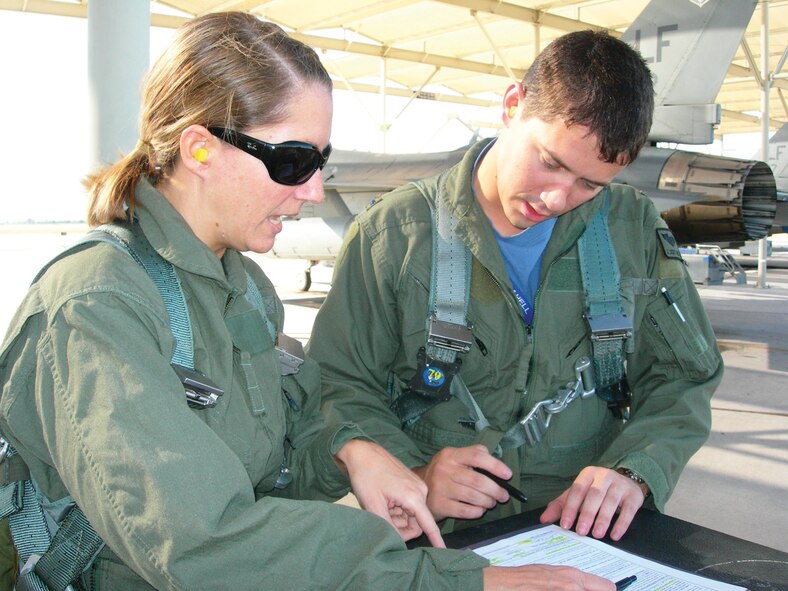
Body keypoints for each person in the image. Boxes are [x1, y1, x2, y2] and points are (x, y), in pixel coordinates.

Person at [0, 12, 618, 591]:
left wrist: (351, 451)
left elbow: (284, 432)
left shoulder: (240, 287)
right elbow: (201, 542)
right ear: (199, 149)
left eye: (321, 162)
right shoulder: (98, 305)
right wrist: (455, 581)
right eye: (293, 161)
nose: (316, 191)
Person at [309, 29, 723, 542]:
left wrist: (636, 469)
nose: (556, 198)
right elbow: (338, 382)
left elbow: (684, 377)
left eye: (590, 184)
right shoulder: (394, 235)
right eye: (550, 162)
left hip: (580, 530)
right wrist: (415, 477)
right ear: (513, 105)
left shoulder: (630, 230)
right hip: (435, 528)